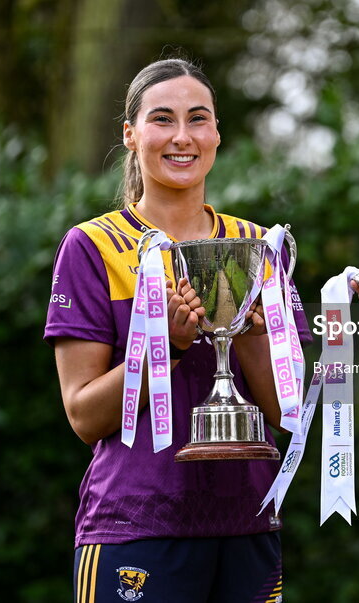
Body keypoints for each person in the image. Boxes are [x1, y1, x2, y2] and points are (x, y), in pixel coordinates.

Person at [45, 57, 309, 603]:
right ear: (131, 134)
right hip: (136, 527)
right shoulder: (92, 247)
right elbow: (83, 414)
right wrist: (164, 344)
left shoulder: (259, 247)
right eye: (162, 119)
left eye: (198, 119)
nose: (182, 137)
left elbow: (288, 413)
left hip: (247, 523)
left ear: (216, 134)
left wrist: (254, 331)